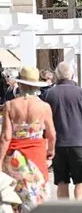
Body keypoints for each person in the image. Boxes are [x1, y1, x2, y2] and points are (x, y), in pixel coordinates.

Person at [0, 66, 56, 211]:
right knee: (37, 196)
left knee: (14, 197)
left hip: (14, 156)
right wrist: (51, 150)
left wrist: (0, 160)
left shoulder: (10, 105)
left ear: (20, 84)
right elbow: (52, 133)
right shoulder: (44, 106)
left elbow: (5, 137)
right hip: (36, 155)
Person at [44, 62, 82, 200]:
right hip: (78, 143)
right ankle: (78, 207)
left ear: (57, 76)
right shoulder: (81, 92)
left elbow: (44, 120)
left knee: (62, 181)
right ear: (72, 75)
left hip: (58, 145)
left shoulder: (49, 94)